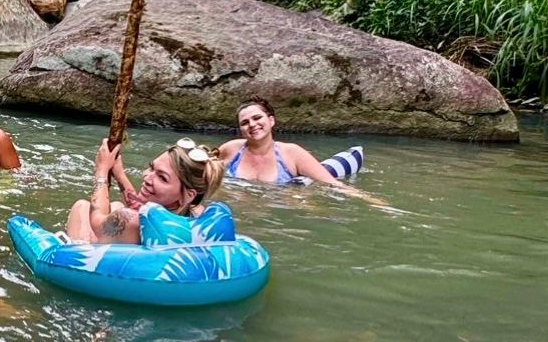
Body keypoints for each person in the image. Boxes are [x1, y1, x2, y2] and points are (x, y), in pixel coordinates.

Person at [65, 137, 225, 244]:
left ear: (189, 195)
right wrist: (119, 175)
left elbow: (97, 224)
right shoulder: (199, 215)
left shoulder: (132, 221)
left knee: (82, 206)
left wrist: (101, 169)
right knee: (117, 206)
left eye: (162, 178)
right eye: (151, 168)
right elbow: (143, 210)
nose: (147, 177)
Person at [216, 95, 341, 186]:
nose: (252, 124)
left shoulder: (292, 153)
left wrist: (359, 196)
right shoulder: (231, 149)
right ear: (241, 129)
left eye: (257, 118)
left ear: (271, 121)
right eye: (245, 122)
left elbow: (331, 183)